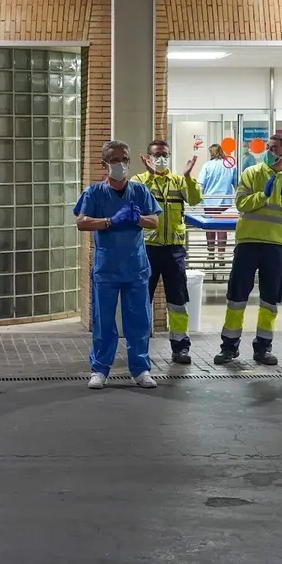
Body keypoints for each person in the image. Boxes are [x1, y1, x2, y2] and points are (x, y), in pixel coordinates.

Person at [74, 140, 162, 389]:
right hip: (107, 268)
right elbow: (81, 222)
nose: (120, 164)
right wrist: (110, 221)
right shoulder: (94, 193)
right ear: (104, 164)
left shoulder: (140, 191)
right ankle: (100, 369)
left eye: (124, 159)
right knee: (103, 321)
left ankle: (141, 369)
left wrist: (138, 218)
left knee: (139, 321)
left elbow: (154, 220)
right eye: (114, 160)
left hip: (135, 267)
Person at [215, 133, 282, 367]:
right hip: (248, 242)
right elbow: (241, 203)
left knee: (270, 300)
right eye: (268, 147)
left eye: (274, 148)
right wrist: (263, 195)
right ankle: (229, 347)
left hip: (276, 245)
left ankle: (263, 348)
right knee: (236, 296)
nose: (269, 151)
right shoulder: (251, 173)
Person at [131, 140, 203, 364]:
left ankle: (181, 347)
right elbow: (133, 199)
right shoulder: (139, 181)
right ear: (148, 158)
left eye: (165, 154)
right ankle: (139, 347)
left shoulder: (179, 181)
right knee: (142, 299)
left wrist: (188, 176)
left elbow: (195, 199)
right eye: (157, 155)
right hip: (147, 249)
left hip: (174, 250)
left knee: (178, 300)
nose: (161, 159)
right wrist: (151, 176)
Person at [197, 143, 237, 253]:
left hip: (209, 201)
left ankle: (210, 253)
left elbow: (200, 184)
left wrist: (197, 200)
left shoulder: (207, 166)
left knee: (210, 227)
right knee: (222, 228)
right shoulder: (230, 165)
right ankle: (221, 254)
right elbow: (236, 183)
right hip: (224, 202)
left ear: (212, 152)